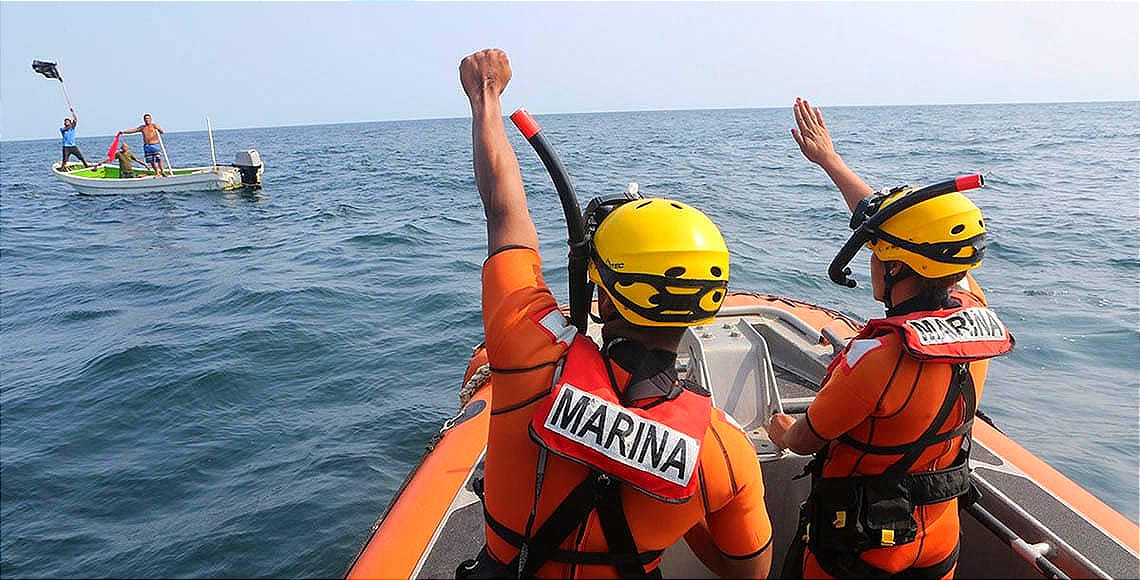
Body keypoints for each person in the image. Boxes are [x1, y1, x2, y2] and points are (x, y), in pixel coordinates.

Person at [455, 48, 773, 579]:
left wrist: (485, 97)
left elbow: (505, 213)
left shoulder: (526, 354)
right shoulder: (723, 451)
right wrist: (684, 502)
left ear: (602, 294)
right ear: (707, 304)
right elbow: (749, 572)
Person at [767, 98, 1015, 579]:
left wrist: (774, 426)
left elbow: (803, 439)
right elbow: (906, 230)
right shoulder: (976, 309)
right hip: (939, 541)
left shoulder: (880, 358)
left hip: (861, 548)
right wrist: (830, 162)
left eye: (878, 252)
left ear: (897, 266)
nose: (872, 259)